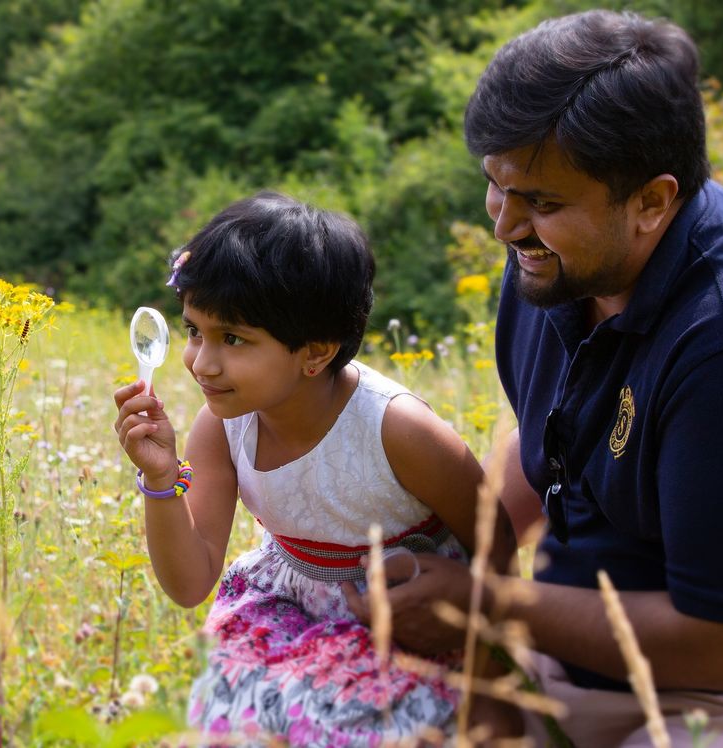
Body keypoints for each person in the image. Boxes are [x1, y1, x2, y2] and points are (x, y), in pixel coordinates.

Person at [343, 9, 723, 747]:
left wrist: (485, 605)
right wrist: (438, 549)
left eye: (542, 201)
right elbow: (555, 438)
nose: (504, 224)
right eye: (496, 185)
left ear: (653, 201)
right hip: (577, 655)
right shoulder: (557, 259)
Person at [112, 192, 499, 744]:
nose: (202, 361)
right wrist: (159, 479)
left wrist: (491, 660)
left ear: (316, 352)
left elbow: (496, 538)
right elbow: (190, 581)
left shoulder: (397, 430)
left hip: (407, 615)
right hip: (289, 606)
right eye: (195, 331)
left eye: (234, 339)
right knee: (236, 722)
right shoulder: (221, 428)